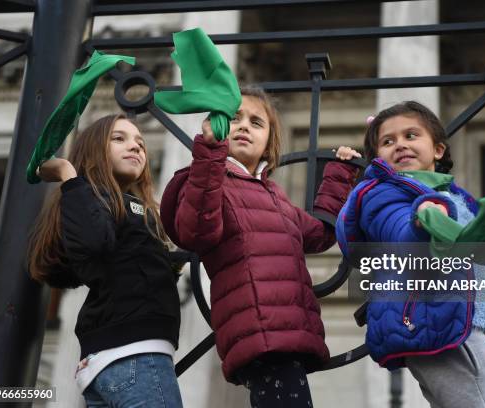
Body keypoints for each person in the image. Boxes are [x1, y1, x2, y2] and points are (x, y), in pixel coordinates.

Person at [160, 87, 359, 408]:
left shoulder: (274, 196)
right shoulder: (207, 178)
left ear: (271, 142)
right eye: (234, 118)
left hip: (287, 331)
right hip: (259, 332)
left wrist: (339, 174)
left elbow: (320, 233)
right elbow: (196, 230)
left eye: (256, 122)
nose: (243, 126)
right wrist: (209, 152)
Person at [336, 101, 485, 408]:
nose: (400, 144)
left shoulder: (452, 197)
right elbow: (399, 235)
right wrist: (420, 223)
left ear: (438, 150)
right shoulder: (383, 193)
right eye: (387, 141)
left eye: (411, 135)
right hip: (444, 323)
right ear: (377, 157)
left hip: (464, 323)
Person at [28, 114, 183, 408]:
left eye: (141, 142)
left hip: (114, 359)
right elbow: (94, 243)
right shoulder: (91, 200)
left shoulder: (133, 209)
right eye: (119, 138)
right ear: (94, 150)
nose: (136, 147)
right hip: (135, 356)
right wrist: (67, 174)